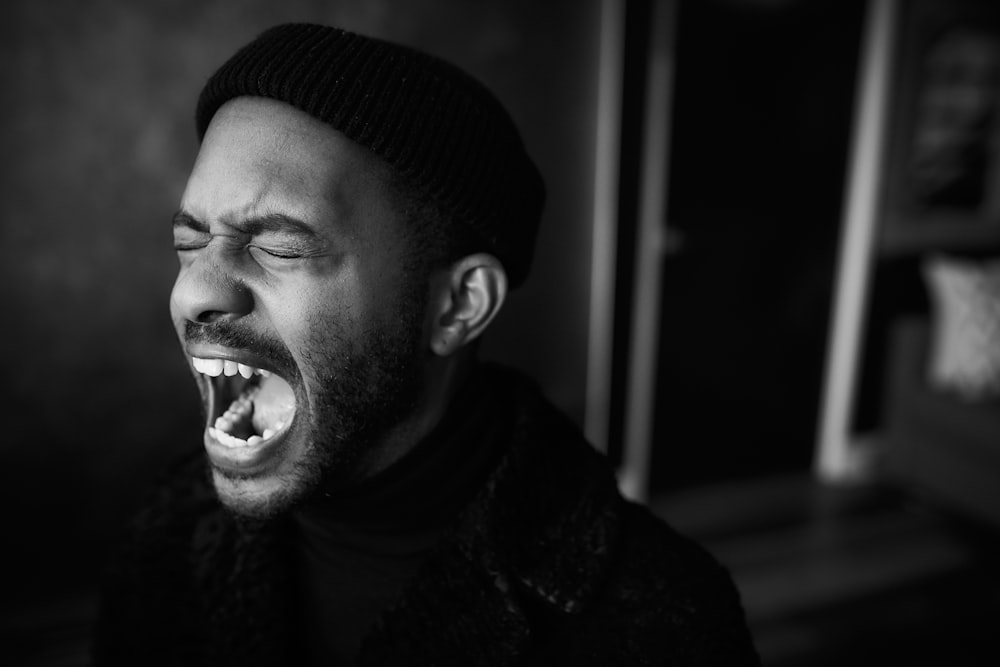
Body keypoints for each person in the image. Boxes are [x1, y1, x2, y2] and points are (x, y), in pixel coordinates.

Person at [92, 23, 759, 666]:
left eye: (277, 246)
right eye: (190, 243)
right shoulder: (166, 533)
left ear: (458, 305)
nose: (193, 292)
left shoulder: (658, 621)